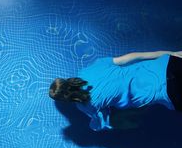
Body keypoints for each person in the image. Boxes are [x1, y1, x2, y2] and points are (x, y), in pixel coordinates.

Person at [49, 51, 182, 131]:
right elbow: (130, 57)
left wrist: (94, 125)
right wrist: (168, 53)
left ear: (65, 99)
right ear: (65, 80)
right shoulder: (87, 70)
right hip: (166, 63)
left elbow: (103, 122)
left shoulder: (87, 106)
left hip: (169, 92)